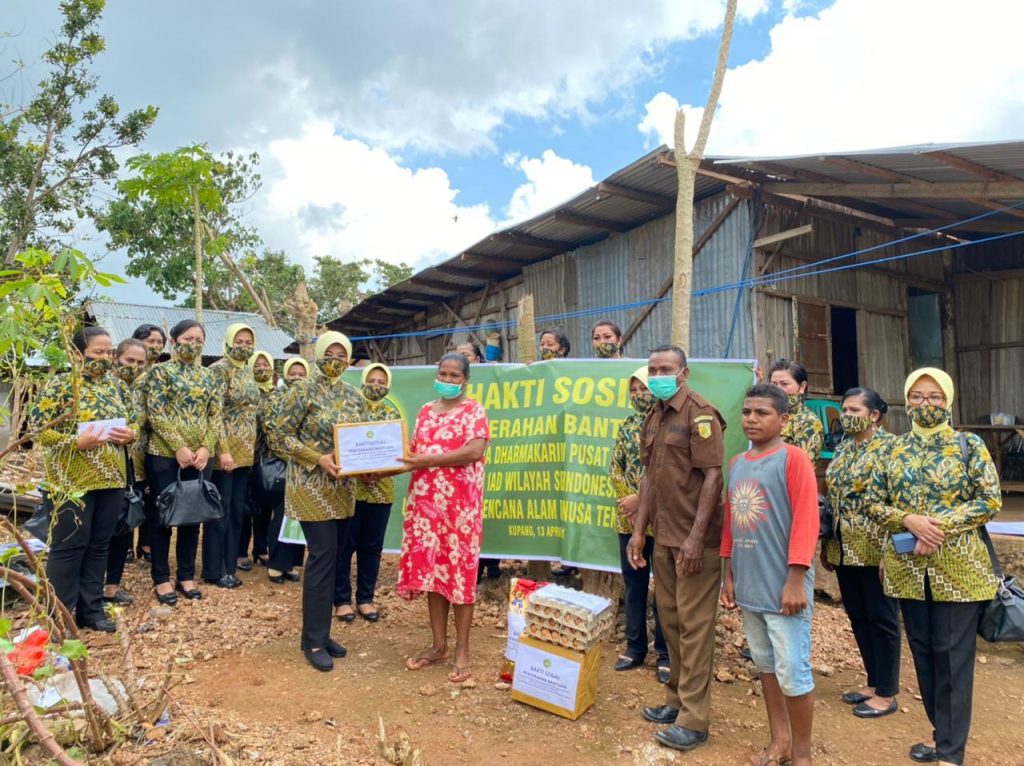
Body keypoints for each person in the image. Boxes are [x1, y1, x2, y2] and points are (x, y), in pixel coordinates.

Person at [866, 368, 1000, 766]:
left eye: (936, 397)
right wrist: (908, 520)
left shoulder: (968, 445)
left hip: (960, 571)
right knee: (924, 654)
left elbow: (988, 500)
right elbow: (874, 502)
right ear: (907, 401)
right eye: (919, 397)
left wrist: (935, 527)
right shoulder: (891, 449)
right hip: (908, 570)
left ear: (949, 401)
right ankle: (942, 737)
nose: (927, 404)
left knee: (952, 657)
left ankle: (951, 754)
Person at [626, 345, 725, 753]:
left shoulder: (700, 413)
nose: (657, 374)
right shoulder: (655, 413)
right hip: (663, 537)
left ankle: (694, 720)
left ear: (683, 373)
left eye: (665, 368)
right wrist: (638, 531)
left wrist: (696, 538)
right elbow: (649, 477)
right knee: (670, 621)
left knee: (695, 627)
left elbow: (713, 477)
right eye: (652, 369)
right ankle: (675, 702)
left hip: (693, 541)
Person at [720, 383, 819, 766]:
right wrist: (729, 576)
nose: (751, 419)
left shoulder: (793, 459)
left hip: (784, 587)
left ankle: (803, 754)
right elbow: (730, 523)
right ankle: (779, 741)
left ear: (783, 419)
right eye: (747, 412)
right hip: (749, 583)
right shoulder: (737, 464)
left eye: (762, 413)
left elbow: (807, 521)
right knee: (765, 665)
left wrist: (796, 579)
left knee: (793, 669)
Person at [268, 332, 367, 672]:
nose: (336, 358)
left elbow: (364, 439)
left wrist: (370, 467)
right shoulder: (302, 390)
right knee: (322, 556)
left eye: (343, 353)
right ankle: (312, 640)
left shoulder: (354, 396)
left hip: (343, 488)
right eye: (331, 352)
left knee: (335, 557)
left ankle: (321, 635)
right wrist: (317, 458)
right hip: (310, 483)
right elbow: (279, 435)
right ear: (320, 354)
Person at [27, 326, 137, 632]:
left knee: (99, 545)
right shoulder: (61, 386)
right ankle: (59, 615)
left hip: (111, 479)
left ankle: (91, 610)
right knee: (67, 546)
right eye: (97, 352)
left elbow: (136, 422)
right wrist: (75, 443)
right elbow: (39, 430)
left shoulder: (117, 388)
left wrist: (131, 434)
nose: (105, 358)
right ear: (79, 354)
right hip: (69, 482)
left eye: (109, 352)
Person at [399, 353, 489, 684]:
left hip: (460, 508)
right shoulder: (425, 411)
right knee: (434, 574)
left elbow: (474, 451)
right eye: (443, 374)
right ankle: (438, 645)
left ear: (465, 380)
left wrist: (425, 459)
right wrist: (372, 467)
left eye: (454, 375)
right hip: (426, 506)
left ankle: (462, 649)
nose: (448, 380)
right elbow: (411, 454)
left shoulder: (474, 411)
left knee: (460, 574)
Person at [820, 387, 900, 719]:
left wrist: (891, 550)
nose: (848, 415)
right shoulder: (842, 449)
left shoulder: (890, 449)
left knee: (883, 618)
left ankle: (888, 691)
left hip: (875, 548)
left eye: (855, 410)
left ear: (874, 415)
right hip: (843, 548)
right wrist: (827, 543)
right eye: (845, 410)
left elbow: (900, 499)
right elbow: (833, 500)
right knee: (858, 615)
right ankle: (872, 682)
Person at [140, 319, 222, 605]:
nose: (194, 344)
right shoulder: (160, 373)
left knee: (193, 516)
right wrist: (178, 447)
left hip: (201, 458)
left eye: (199, 340)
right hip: (164, 455)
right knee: (163, 517)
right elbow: (156, 412)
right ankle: (161, 578)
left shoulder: (210, 376)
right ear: (173, 341)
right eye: (188, 338)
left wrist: (205, 448)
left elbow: (215, 415)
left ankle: (185, 575)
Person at [610, 367, 669, 684]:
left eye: (643, 388)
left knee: (665, 587)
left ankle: (665, 654)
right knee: (633, 584)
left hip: (662, 520)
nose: (638, 395)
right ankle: (634, 648)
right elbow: (614, 467)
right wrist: (629, 502)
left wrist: (642, 502)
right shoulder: (627, 425)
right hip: (628, 519)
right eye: (633, 390)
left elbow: (672, 473)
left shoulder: (670, 424)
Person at [335, 363, 400, 623]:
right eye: (371, 380)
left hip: (381, 490)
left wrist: (381, 472)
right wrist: (355, 468)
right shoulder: (349, 408)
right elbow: (340, 444)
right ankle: (341, 600)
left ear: (388, 386)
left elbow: (399, 454)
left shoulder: (392, 412)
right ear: (362, 381)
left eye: (381, 382)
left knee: (371, 547)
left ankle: (365, 599)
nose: (376, 385)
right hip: (350, 488)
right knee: (345, 546)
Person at [202, 323, 260, 589]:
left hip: (246, 453)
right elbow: (215, 414)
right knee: (220, 512)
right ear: (227, 342)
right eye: (240, 341)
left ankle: (230, 565)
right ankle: (215, 570)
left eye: (249, 342)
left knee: (237, 511)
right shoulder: (217, 371)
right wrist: (223, 451)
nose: (244, 346)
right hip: (223, 453)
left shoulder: (248, 372)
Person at [103, 337, 148, 605]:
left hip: (131, 468)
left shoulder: (142, 387)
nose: (134, 366)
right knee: (99, 533)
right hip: (98, 468)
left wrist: (133, 431)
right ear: (115, 357)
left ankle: (111, 586)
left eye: (140, 363)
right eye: (129, 360)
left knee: (122, 527)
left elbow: (140, 423)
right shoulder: (104, 386)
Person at [265, 357, 309, 584]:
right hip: (286, 466)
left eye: (302, 374)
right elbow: (274, 437)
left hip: (309, 468)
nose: (297, 378)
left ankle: (292, 563)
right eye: (293, 373)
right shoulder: (275, 398)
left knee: (301, 516)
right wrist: (299, 458)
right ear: (285, 374)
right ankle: (276, 563)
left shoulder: (311, 398)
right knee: (282, 515)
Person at [129, 322, 167, 562]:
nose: (155, 346)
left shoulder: (161, 373)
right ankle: (124, 543)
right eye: (150, 341)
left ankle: (146, 543)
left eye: (159, 343)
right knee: (129, 494)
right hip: (129, 441)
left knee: (151, 496)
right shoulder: (127, 370)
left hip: (152, 443)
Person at [238, 350, 276, 569]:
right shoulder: (245, 392)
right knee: (244, 507)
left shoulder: (276, 395)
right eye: (257, 364)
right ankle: (240, 551)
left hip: (268, 460)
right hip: (244, 457)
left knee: (264, 507)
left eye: (266, 364)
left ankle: (261, 549)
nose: (262, 368)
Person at [768, 359, 824, 462]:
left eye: (784, 384)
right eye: (774, 384)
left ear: (802, 387)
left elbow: (804, 465)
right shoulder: (768, 417)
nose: (778, 390)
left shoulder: (808, 422)